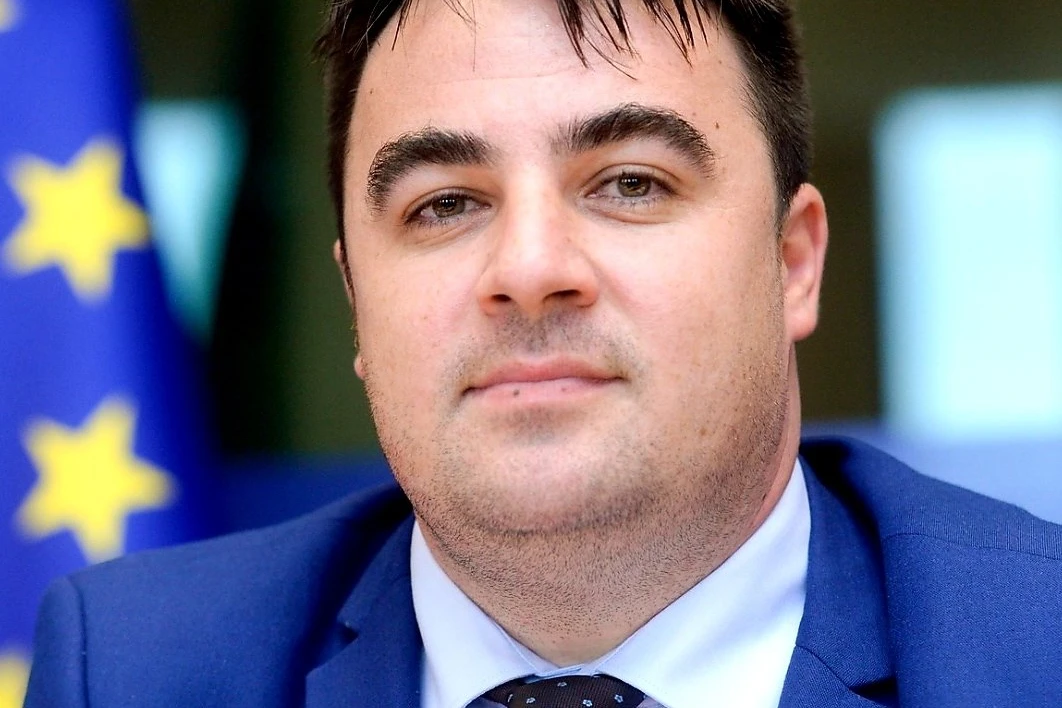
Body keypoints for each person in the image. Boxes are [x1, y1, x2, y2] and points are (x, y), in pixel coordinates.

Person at [24, 1, 1062, 706]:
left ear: (792, 263)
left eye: (631, 184)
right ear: (356, 304)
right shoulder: (132, 672)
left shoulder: (1034, 648)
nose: (528, 268)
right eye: (445, 204)